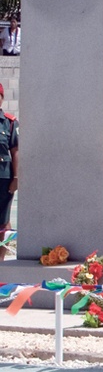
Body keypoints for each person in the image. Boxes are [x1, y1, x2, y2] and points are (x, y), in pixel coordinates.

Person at [0, 83, 18, 262]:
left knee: (3, 221)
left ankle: (2, 260)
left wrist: (16, 177)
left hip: (3, 178)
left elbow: (15, 151)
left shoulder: (9, 122)